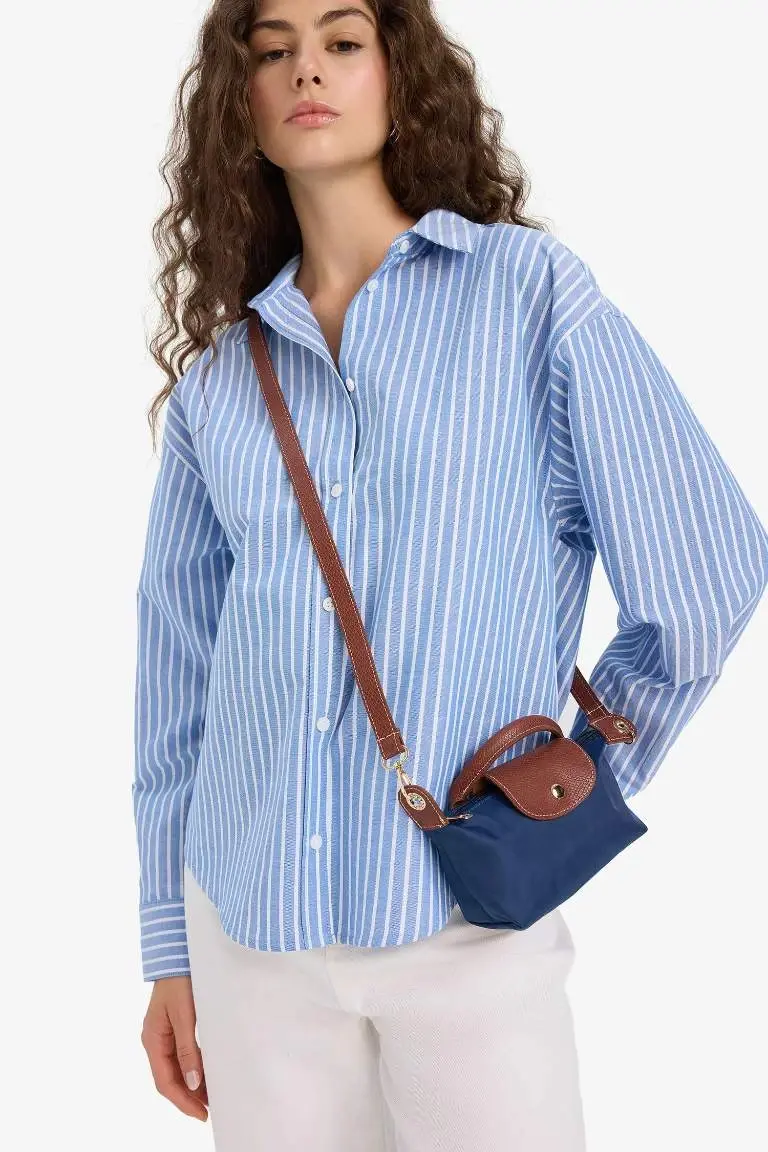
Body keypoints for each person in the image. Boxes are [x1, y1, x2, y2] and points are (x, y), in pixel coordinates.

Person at [132, 1, 768, 1149]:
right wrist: (169, 947)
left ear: (400, 75)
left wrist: (572, 785)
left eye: (342, 41)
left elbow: (707, 567)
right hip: (250, 937)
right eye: (272, 51)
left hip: (467, 927)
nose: (307, 70)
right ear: (240, 103)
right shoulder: (223, 382)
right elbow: (177, 680)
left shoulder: (526, 297)